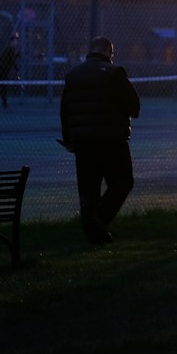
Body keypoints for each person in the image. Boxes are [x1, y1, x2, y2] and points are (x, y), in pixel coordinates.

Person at [60, 36, 140, 245]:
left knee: (88, 191)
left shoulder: (73, 75)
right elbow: (134, 107)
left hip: (83, 143)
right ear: (107, 51)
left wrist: (70, 139)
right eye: (112, 54)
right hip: (112, 140)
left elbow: (65, 111)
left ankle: (94, 234)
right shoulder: (115, 73)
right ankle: (100, 219)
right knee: (122, 182)